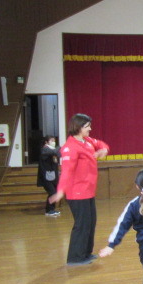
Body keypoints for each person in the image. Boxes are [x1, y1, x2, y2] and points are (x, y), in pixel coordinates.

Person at [50, 113, 109, 266]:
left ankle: (86, 253)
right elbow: (67, 171)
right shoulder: (70, 147)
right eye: (87, 126)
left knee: (90, 222)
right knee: (82, 225)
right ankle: (75, 258)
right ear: (78, 127)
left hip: (88, 191)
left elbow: (101, 144)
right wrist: (60, 191)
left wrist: (103, 149)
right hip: (77, 192)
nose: (90, 129)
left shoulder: (86, 141)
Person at [37, 135, 61, 217]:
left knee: (55, 192)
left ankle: (52, 209)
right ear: (46, 142)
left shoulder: (53, 150)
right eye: (51, 140)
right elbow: (55, 152)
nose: (53, 142)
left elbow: (58, 154)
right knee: (52, 192)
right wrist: (59, 147)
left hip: (53, 176)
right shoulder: (45, 149)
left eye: (54, 140)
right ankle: (49, 210)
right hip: (46, 176)